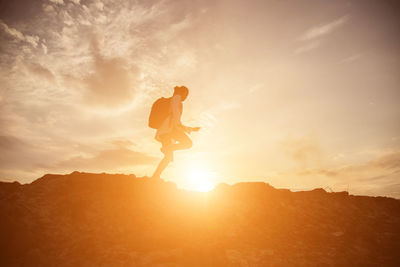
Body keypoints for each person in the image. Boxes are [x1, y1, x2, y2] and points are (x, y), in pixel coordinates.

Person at [152, 86, 200, 179]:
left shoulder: (175, 99)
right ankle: (168, 148)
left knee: (168, 157)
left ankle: (155, 176)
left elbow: (176, 120)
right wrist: (186, 128)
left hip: (165, 131)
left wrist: (191, 129)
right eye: (186, 94)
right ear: (182, 93)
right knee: (188, 144)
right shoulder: (177, 98)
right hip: (170, 130)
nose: (186, 97)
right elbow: (176, 116)